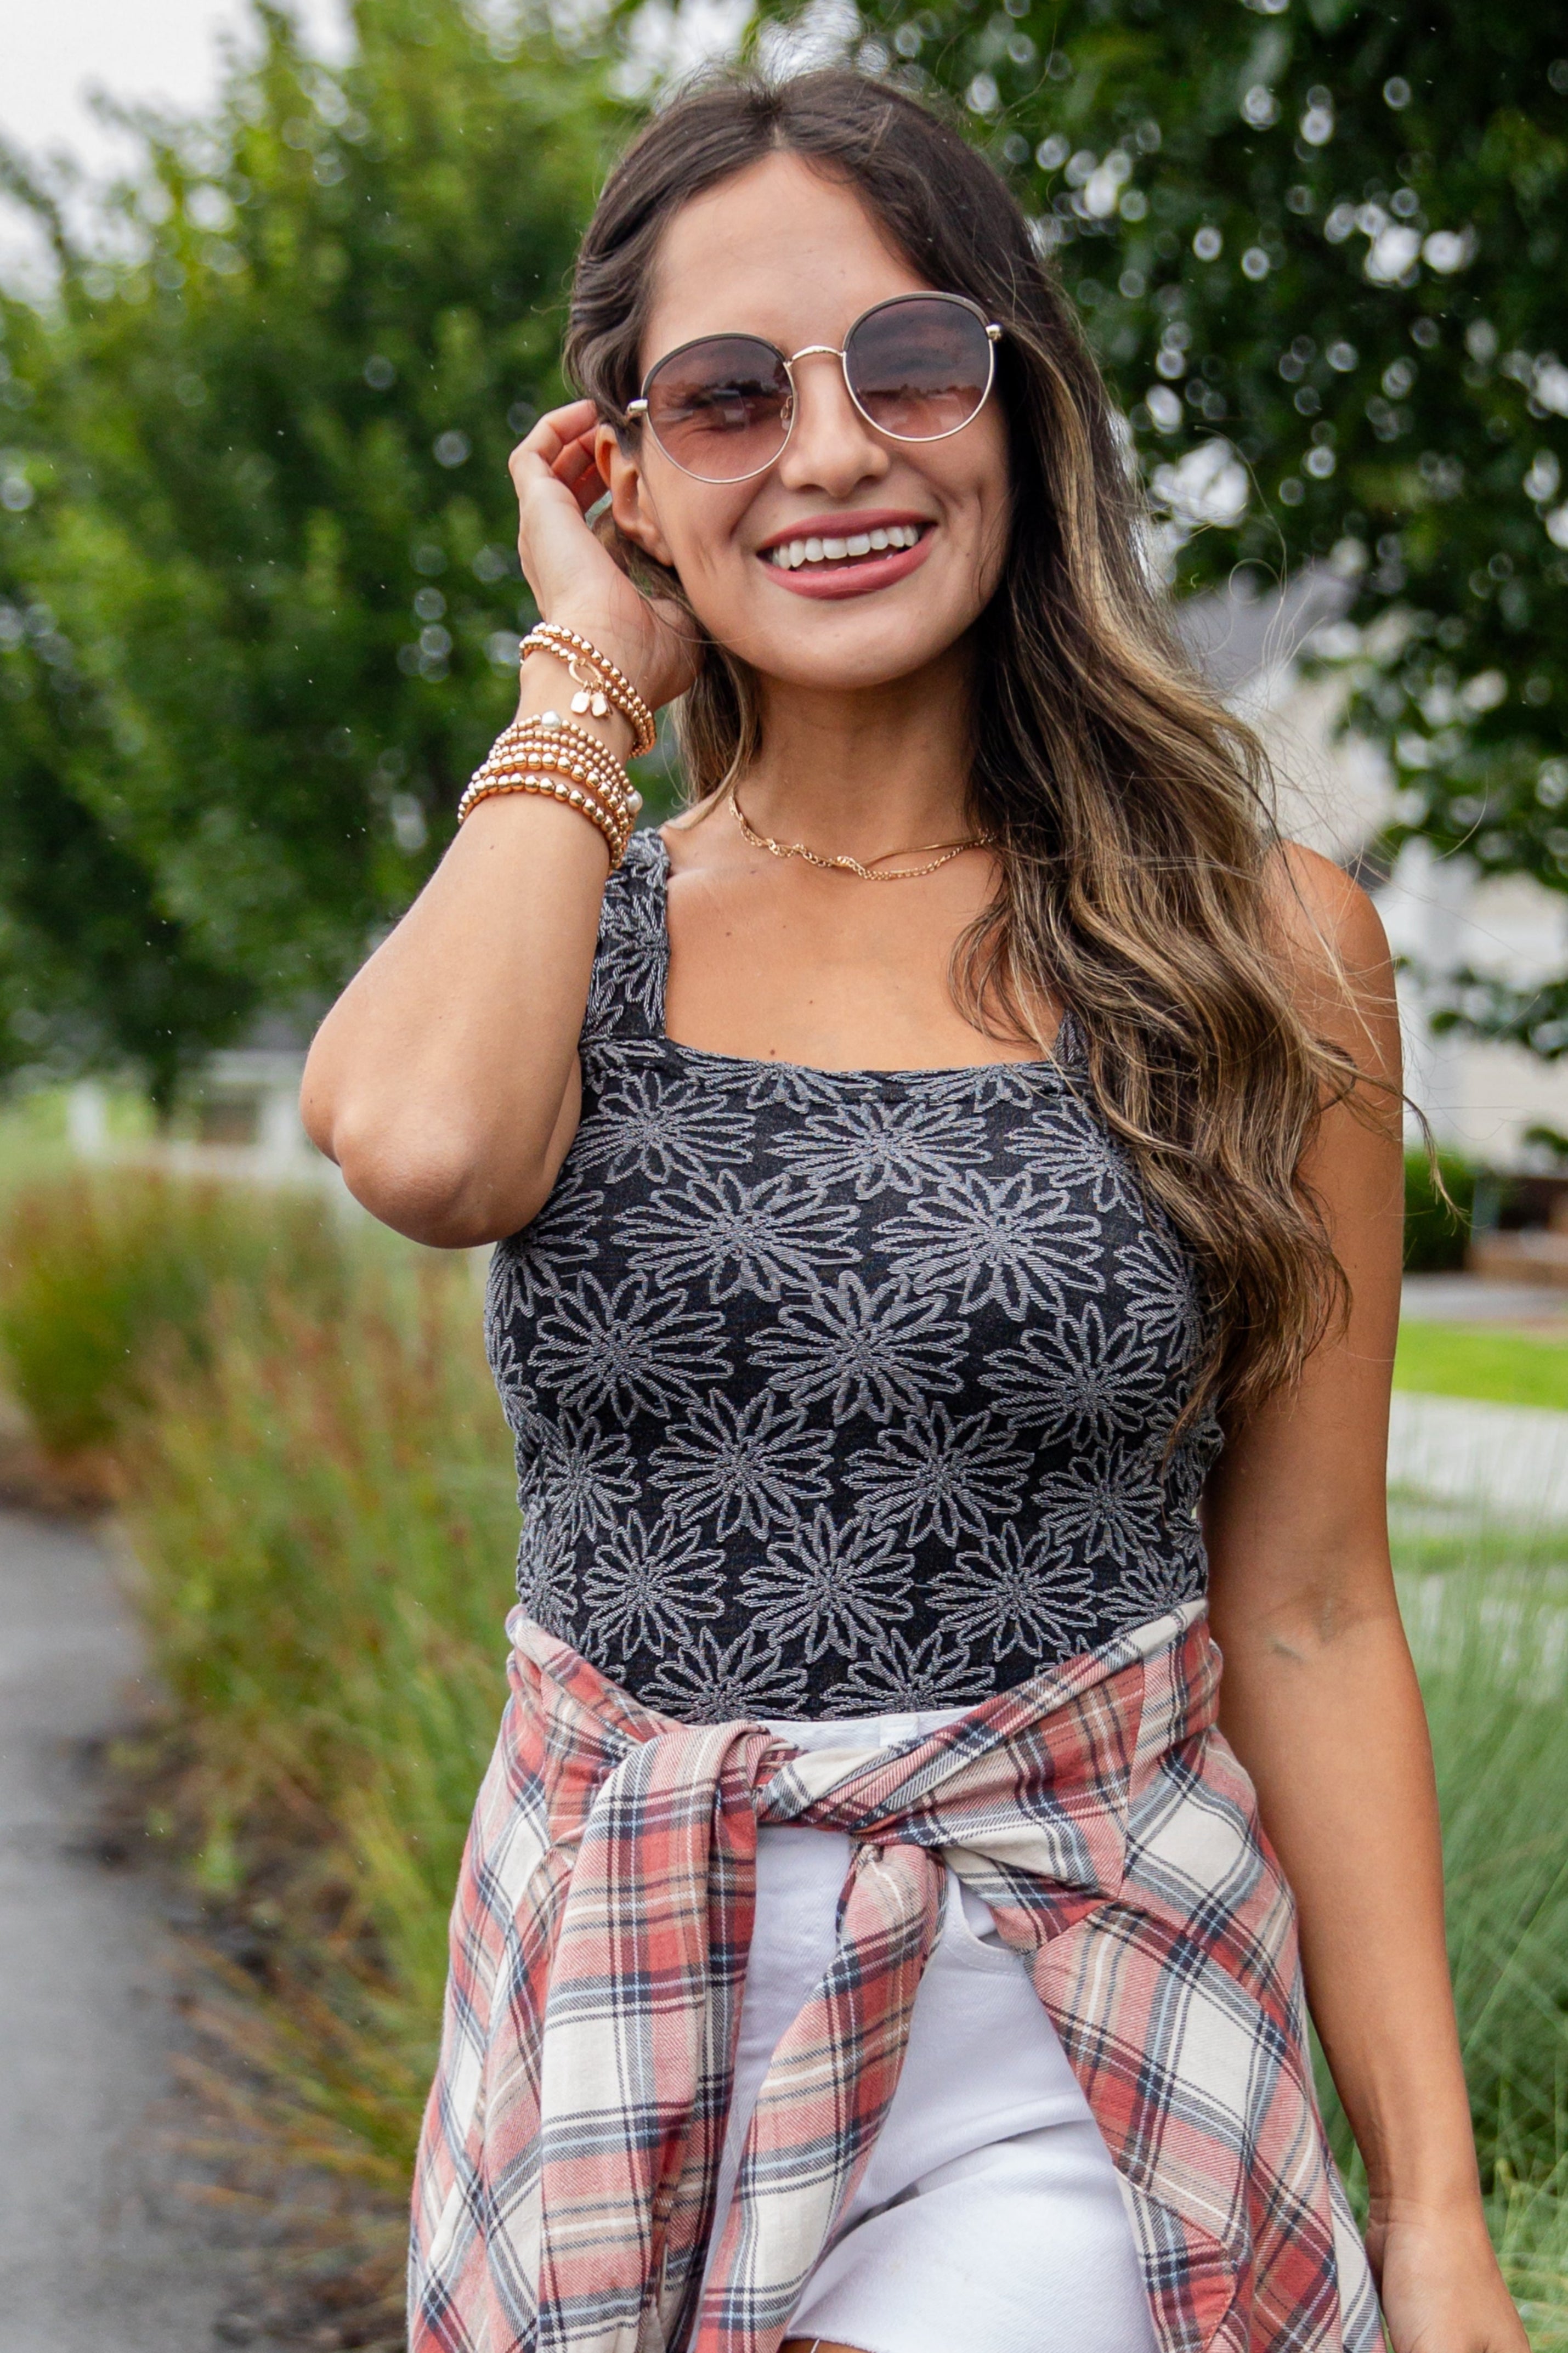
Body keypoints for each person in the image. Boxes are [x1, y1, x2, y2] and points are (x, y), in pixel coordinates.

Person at [301, 68, 1524, 2353]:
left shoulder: (1258, 941)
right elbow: (420, 1146)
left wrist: (1433, 2213)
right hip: (607, 1994)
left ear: (1018, 399)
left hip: (1073, 2000)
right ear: (627, 472)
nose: (836, 448)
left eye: (910, 360)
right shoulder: (576, 910)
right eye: (729, 397)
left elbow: (1322, 1603)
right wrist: (585, 669)